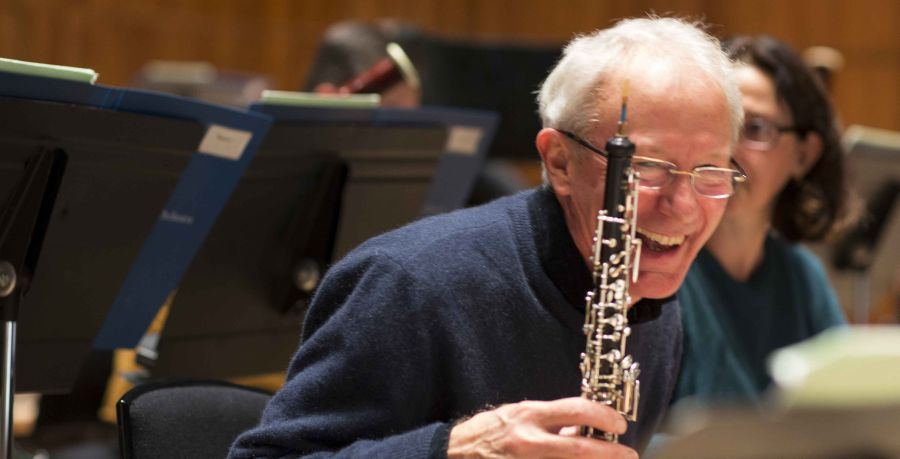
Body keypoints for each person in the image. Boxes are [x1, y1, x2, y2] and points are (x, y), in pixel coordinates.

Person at [229, 16, 745, 458]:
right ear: (560, 162)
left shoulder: (656, 297)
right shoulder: (410, 284)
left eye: (711, 172)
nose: (681, 205)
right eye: (648, 169)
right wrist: (453, 449)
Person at [674, 35, 855, 405]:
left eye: (755, 129)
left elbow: (846, 415)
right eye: (719, 125)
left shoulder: (802, 277)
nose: (727, 150)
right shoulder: (661, 268)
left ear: (804, 155)